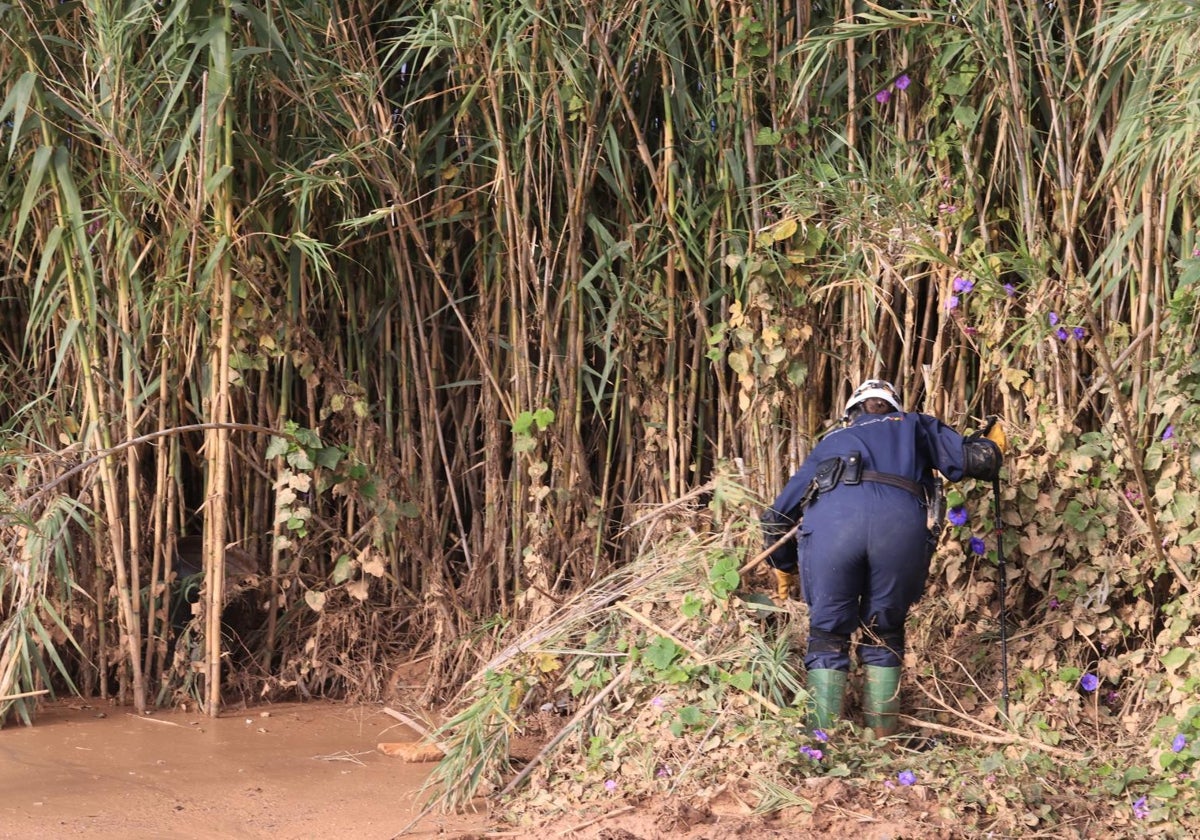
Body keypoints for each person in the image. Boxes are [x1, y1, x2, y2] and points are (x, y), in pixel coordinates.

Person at [762, 378, 1005, 735]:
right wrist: (994, 444)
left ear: (852, 414)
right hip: (899, 532)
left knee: (828, 632)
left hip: (834, 531)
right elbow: (978, 461)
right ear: (893, 407)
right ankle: (882, 742)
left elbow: (778, 517)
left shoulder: (831, 441)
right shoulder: (915, 425)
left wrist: (783, 567)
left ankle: (821, 742)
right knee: (884, 630)